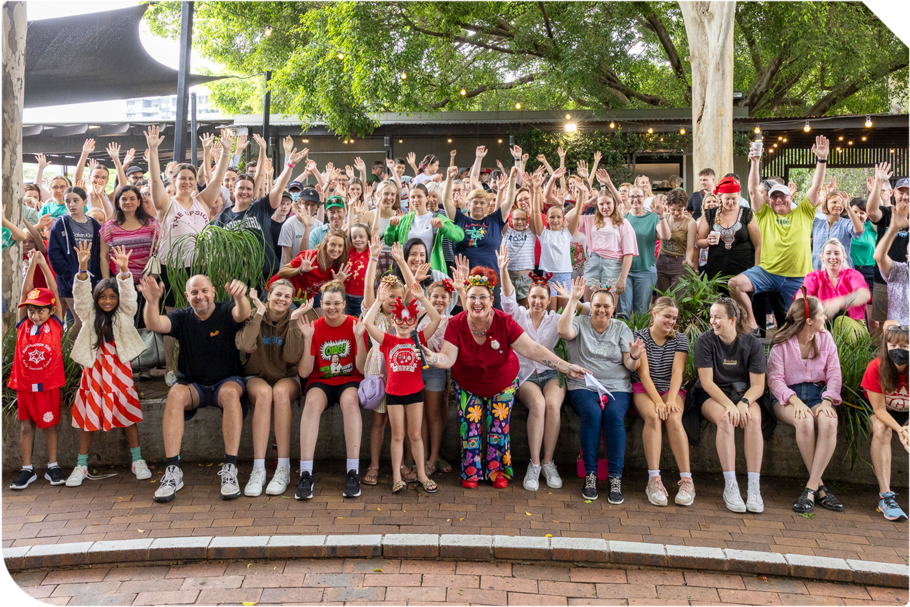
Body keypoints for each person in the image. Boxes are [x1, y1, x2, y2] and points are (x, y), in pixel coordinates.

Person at [423, 267, 586, 489]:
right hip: (469, 384)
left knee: (498, 428)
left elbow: (533, 349)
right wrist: (433, 358)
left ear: (492, 300)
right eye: (472, 297)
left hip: (502, 382)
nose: (477, 302)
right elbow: (448, 357)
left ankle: (497, 470)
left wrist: (566, 367)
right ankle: (471, 470)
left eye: (483, 297)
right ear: (465, 300)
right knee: (470, 426)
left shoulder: (504, 322)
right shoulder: (456, 323)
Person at [140, 274, 251, 503]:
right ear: (187, 296)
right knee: (174, 394)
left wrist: (241, 297)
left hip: (226, 381)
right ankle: (173, 471)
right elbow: (154, 324)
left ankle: (230, 468)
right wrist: (151, 302)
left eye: (204, 291)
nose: (200, 296)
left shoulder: (225, 310)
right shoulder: (182, 317)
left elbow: (242, 314)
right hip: (194, 385)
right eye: (194, 293)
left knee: (231, 393)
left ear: (213, 292)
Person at [145, 126, 233, 386]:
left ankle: (200, 364)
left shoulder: (203, 201)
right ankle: (171, 368)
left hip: (199, 268)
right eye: (181, 178)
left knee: (201, 316)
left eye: (190, 179)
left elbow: (218, 179)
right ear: (174, 180)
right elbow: (154, 182)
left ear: (195, 181)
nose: (186, 182)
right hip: (171, 267)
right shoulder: (166, 203)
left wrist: (226, 152)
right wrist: (152, 150)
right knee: (173, 319)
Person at [499, 246, 586, 491]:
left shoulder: (554, 319)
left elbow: (573, 321)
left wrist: (573, 299)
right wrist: (503, 270)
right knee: (538, 404)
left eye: (542, 298)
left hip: (550, 375)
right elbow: (507, 298)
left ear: (549, 301)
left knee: (553, 405)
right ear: (528, 298)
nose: (537, 301)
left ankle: (549, 462)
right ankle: (535, 464)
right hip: (525, 375)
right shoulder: (518, 315)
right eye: (534, 297)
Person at [66, 244, 150, 486]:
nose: (107, 301)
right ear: (96, 299)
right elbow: (81, 298)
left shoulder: (124, 314)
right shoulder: (89, 315)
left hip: (119, 371)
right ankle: (81, 465)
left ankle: (137, 460)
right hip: (94, 372)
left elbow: (130, 298)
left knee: (128, 414)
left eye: (112, 297)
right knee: (88, 418)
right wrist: (83, 268)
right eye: (103, 297)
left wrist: (124, 272)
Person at [731, 136, 830, 332]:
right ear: (769, 200)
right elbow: (753, 190)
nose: (778, 200)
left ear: (790, 197)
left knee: (804, 321)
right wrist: (755, 161)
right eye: (774, 197)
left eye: (782, 196)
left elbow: (816, 187)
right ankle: (752, 323)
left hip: (798, 277)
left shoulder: (804, 211)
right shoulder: (764, 214)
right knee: (735, 284)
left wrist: (821, 159)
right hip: (768, 273)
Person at [558, 278, 640, 503]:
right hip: (584, 384)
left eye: (606, 306)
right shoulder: (579, 322)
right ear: (590, 306)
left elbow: (630, 365)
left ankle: (615, 476)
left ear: (613, 308)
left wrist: (634, 356)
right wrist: (573, 299)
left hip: (616, 386)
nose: (601, 310)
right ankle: (590, 474)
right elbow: (563, 331)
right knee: (592, 414)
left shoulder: (621, 328)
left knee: (614, 416)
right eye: (597, 305)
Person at [768, 291, 843, 513]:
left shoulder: (825, 338)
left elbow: (834, 374)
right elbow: (774, 380)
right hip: (786, 398)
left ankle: (811, 487)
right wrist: (795, 401)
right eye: (822, 315)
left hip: (818, 395)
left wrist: (828, 401)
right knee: (804, 421)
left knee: (829, 421)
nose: (825, 318)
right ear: (809, 321)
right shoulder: (781, 342)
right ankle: (820, 488)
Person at [363, 281, 442, 494]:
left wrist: (422, 298)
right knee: (397, 436)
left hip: (415, 393)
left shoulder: (419, 338)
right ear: (394, 321)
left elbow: (436, 319)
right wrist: (378, 301)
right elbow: (368, 323)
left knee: (415, 435)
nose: (404, 324)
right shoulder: (387, 340)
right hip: (393, 394)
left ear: (415, 321)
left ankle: (422, 475)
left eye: (409, 320)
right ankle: (397, 477)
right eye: (400, 319)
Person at [235, 281, 312, 497]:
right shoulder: (253, 314)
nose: (282, 299)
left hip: (286, 377)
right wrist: (259, 313)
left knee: (279, 393)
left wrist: (294, 320)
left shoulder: (295, 318)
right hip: (256, 376)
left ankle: (283, 469)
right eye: (278, 294)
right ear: (269, 295)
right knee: (264, 393)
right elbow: (245, 345)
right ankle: (258, 469)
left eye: (287, 296)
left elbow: (291, 357)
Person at [295, 280, 368, 500]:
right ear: (322, 304)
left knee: (350, 401)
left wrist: (358, 338)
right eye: (327, 303)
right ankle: (305, 472)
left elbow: (362, 369)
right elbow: (305, 372)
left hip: (349, 379)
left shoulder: (355, 325)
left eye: (337, 303)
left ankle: (352, 471)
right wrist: (307, 339)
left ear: (344, 304)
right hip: (321, 381)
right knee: (311, 403)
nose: (332, 308)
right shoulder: (314, 327)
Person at [691, 298, 767, 513]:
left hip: (744, 394)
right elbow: (707, 383)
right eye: (711, 317)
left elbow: (758, 385)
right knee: (726, 418)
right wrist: (729, 406)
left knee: (753, 418)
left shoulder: (752, 344)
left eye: (718, 317)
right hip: (713, 395)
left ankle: (754, 487)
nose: (713, 321)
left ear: (733, 320)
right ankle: (730, 486)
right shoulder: (705, 341)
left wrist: (743, 403)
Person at [8, 252, 67, 490]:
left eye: (40, 310)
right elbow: (25, 293)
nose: (35, 315)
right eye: (31, 311)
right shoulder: (23, 324)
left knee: (50, 426)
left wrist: (43, 265)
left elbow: (54, 291)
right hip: (24, 386)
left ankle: (53, 466)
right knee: (26, 426)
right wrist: (32, 263)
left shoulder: (55, 324)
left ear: (51, 311)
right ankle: (27, 469)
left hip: (48, 386)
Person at [629, 297, 693, 506]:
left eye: (674, 318)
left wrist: (671, 400)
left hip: (670, 387)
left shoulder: (679, 339)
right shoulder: (641, 337)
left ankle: (687, 480)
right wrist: (658, 402)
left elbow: (677, 373)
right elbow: (644, 374)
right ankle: (654, 479)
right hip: (645, 387)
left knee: (674, 417)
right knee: (653, 416)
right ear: (654, 314)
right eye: (667, 316)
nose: (671, 321)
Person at [864, 325, 910, 521]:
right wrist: (901, 430)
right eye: (893, 345)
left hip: (907, 414)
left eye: (904, 346)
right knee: (882, 429)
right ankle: (886, 496)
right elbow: (879, 410)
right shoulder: (876, 367)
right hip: (881, 411)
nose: (898, 350)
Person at [98, 185, 160, 327]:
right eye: (124, 199)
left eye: (132, 198)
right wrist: (107, 282)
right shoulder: (109, 227)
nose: (128, 202)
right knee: (122, 322)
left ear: (139, 202)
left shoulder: (152, 224)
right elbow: (104, 257)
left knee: (145, 323)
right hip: (120, 282)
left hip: (146, 281)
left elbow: (159, 252)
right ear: (118, 202)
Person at [566, 186, 637, 302]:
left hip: (613, 265)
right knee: (588, 303)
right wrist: (586, 204)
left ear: (614, 203)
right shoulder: (590, 220)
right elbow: (567, 219)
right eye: (601, 204)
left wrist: (623, 278)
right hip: (593, 261)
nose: (605, 207)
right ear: (597, 206)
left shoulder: (623, 223)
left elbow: (629, 253)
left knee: (609, 303)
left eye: (608, 203)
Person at [47, 186, 103, 332]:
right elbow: (54, 254)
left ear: (84, 201)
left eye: (75, 200)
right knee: (79, 321)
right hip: (70, 280)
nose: (71, 204)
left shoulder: (94, 224)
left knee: (91, 320)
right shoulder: (61, 223)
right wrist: (69, 275)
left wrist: (98, 276)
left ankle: (83, 347)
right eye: (67, 201)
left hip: (91, 279)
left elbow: (99, 253)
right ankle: (63, 347)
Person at [384, 177, 464, 275]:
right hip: (407, 272)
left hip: (432, 272)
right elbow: (389, 241)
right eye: (413, 197)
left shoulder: (437, 217)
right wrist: (391, 227)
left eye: (419, 196)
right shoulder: (405, 219)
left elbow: (459, 236)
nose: (416, 200)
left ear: (427, 198)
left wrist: (443, 227)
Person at [697, 177, 760, 282]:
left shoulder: (746, 213)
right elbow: (699, 241)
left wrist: (757, 269)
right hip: (717, 270)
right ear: (720, 197)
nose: (731, 202)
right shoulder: (710, 214)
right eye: (727, 199)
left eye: (734, 198)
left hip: (744, 269)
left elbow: (758, 243)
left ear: (738, 196)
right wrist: (707, 241)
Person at [530, 172, 575, 311]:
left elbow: (578, 212)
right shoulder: (543, 234)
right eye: (552, 217)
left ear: (563, 219)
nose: (555, 220)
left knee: (564, 313)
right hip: (548, 275)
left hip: (565, 275)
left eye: (558, 217)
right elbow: (535, 212)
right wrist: (536, 189)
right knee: (550, 313)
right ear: (547, 219)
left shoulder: (566, 233)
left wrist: (579, 197)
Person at [273, 229, 350, 309]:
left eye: (340, 246)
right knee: (294, 316)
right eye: (332, 244)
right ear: (325, 244)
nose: (336, 249)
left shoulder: (337, 265)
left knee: (322, 316)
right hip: (281, 292)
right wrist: (299, 270)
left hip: (305, 297)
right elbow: (281, 272)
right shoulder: (310, 257)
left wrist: (337, 282)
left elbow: (329, 293)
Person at [622, 187, 670, 315]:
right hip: (626, 270)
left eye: (638, 196)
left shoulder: (653, 217)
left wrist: (661, 216)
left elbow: (665, 236)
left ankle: (640, 330)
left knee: (641, 311)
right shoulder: (624, 218)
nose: (635, 199)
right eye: (632, 196)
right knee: (624, 310)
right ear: (628, 198)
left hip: (645, 269)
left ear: (644, 198)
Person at [802, 239, 871, 325]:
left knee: (841, 321)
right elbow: (800, 297)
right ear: (822, 257)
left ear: (844, 257)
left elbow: (865, 294)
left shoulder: (853, 275)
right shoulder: (814, 276)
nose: (833, 257)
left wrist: (838, 303)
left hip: (853, 325)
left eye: (837, 253)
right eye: (828, 253)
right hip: (822, 324)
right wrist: (816, 303)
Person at [873, 198, 910, 325]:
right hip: (897, 334)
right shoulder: (901, 271)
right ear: (907, 256)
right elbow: (879, 256)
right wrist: (894, 228)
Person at [656, 189, 697, 293]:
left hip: (679, 262)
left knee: (680, 296)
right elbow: (658, 235)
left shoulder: (690, 223)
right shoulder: (664, 218)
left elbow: (690, 248)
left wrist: (688, 259)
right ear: (668, 206)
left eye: (680, 209)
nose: (676, 213)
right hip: (662, 260)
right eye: (673, 209)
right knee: (662, 296)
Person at [811, 191, 864, 270]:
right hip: (817, 270)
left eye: (840, 203)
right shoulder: (816, 223)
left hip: (841, 271)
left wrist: (848, 208)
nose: (838, 205)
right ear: (826, 204)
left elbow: (859, 230)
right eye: (834, 202)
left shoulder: (847, 224)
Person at [848, 198, 877, 320]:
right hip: (851, 271)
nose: (858, 215)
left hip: (869, 271)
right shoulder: (845, 227)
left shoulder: (871, 227)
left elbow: (877, 211)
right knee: (854, 314)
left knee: (872, 318)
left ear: (866, 215)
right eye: (855, 212)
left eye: (862, 212)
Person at [278, 187, 322, 264]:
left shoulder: (319, 225)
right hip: (292, 269)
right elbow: (286, 256)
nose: (309, 207)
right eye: (306, 204)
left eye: (313, 205)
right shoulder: (289, 224)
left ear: (317, 207)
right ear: (299, 204)